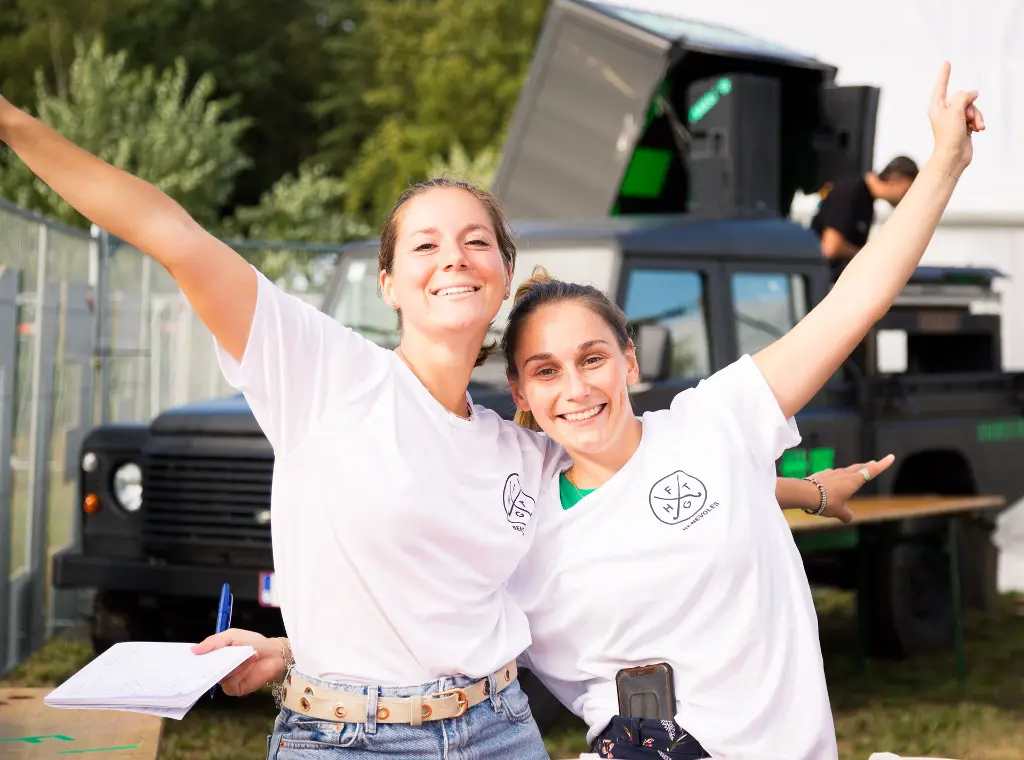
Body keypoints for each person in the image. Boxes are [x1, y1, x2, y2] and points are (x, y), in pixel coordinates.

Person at [0, 92, 877, 760]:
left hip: (499, 729)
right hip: (344, 739)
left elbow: (641, 481)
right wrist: (11, 123)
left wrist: (802, 490)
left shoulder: (518, 446)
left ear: (499, 279)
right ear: (389, 283)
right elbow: (170, 232)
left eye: (474, 242)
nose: (451, 257)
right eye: (423, 245)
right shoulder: (322, 373)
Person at [501, 62, 982, 760]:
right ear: (521, 394)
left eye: (592, 358)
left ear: (630, 361)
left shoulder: (716, 420)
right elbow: (421, 619)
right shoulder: (516, 518)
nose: (575, 387)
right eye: (545, 371)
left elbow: (854, 301)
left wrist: (944, 161)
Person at [811, 154, 919, 274]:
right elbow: (831, 247)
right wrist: (872, 256)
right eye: (906, 192)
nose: (907, 199)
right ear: (895, 180)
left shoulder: (866, 199)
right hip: (823, 277)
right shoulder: (852, 191)